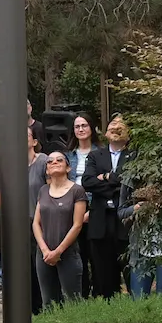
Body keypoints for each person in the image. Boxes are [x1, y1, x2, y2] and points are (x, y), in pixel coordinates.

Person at [81, 116, 135, 297]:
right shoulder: (96, 155)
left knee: (130, 272)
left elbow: (132, 182)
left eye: (121, 125)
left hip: (126, 220)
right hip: (100, 222)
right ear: (105, 133)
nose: (116, 128)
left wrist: (104, 177)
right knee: (102, 275)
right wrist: (116, 184)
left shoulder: (135, 156)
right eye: (112, 125)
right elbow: (87, 181)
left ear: (128, 133)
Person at [33, 152, 87, 306]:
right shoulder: (43, 190)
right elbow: (36, 223)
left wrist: (57, 252)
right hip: (43, 254)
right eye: (50, 161)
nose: (54, 162)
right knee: (48, 302)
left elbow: (77, 225)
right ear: (47, 170)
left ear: (68, 167)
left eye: (59, 160)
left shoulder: (77, 190)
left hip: (67, 253)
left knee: (73, 302)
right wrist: (45, 250)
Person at [64, 114, 98, 295]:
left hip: (94, 210)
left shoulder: (101, 152)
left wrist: (91, 211)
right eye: (77, 126)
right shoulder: (68, 156)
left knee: (96, 256)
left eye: (84, 125)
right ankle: (81, 294)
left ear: (91, 128)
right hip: (71, 209)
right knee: (78, 256)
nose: (81, 129)